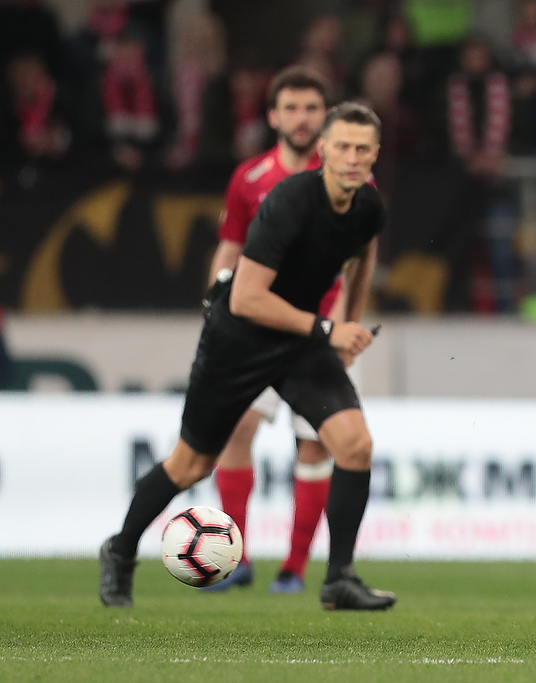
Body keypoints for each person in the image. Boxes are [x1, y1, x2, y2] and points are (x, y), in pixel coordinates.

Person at [99, 101, 394, 612]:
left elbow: (363, 256)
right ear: (323, 149)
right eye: (343, 146)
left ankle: (338, 579)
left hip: (301, 341)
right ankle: (120, 551)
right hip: (239, 340)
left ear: (375, 154)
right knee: (190, 464)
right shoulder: (289, 201)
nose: (352, 157)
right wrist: (329, 329)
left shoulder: (369, 206)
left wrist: (349, 325)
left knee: (355, 446)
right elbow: (246, 298)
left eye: (362, 149)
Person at [201, 66, 341, 595]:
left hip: (320, 330)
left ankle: (294, 568)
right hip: (256, 328)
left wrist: (341, 326)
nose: (302, 118)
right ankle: (235, 557)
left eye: (311, 108)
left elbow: (355, 261)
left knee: (315, 445)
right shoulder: (249, 178)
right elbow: (230, 247)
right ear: (273, 117)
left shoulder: (347, 175)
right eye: (291, 108)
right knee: (237, 428)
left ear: (324, 116)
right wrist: (214, 304)